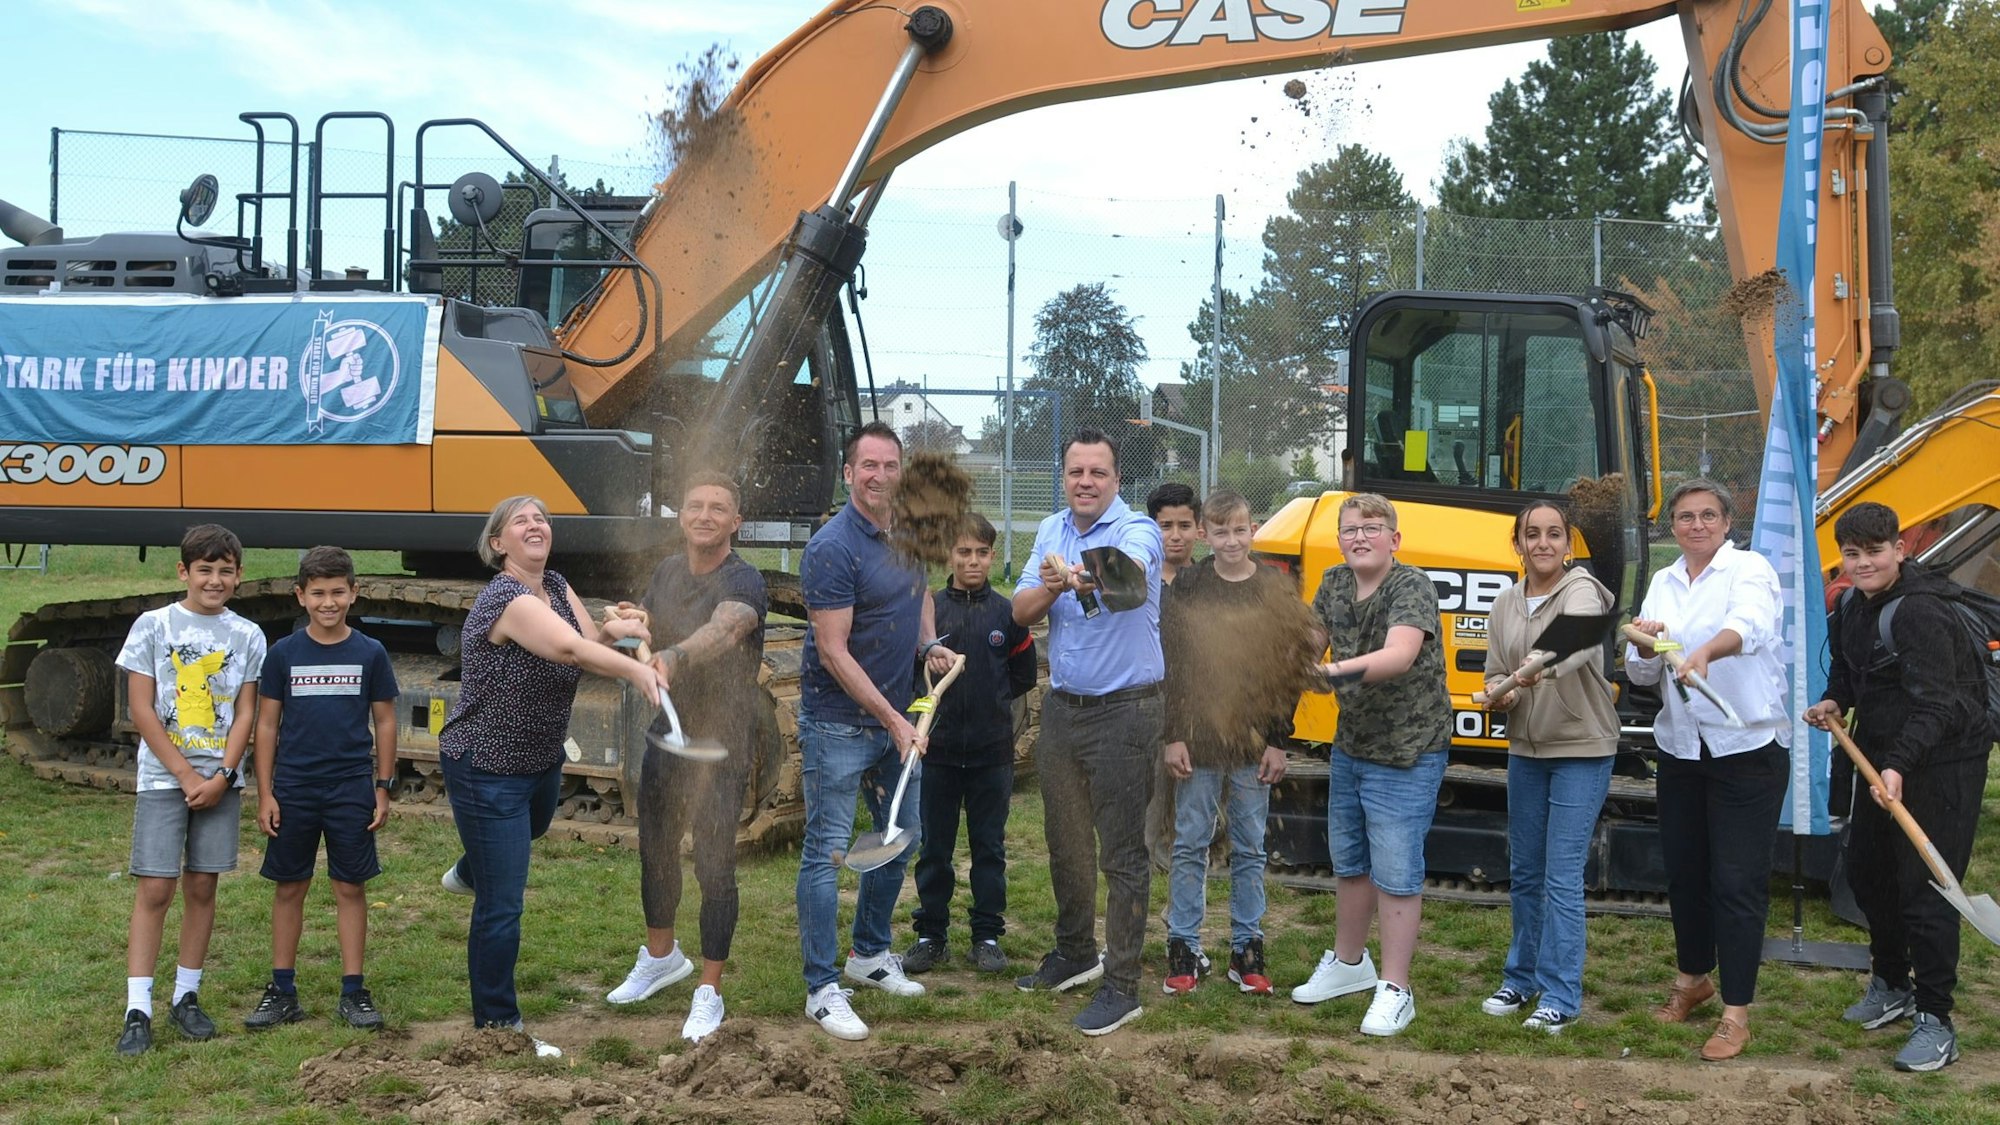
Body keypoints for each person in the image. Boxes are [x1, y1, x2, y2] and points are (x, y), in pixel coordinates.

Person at [436, 495, 665, 1058]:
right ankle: (499, 1028)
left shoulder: (557, 587)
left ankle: (471, 867)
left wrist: (626, 631)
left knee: (530, 830)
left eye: (541, 518)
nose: (536, 525)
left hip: (538, 759)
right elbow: (565, 647)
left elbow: (588, 647)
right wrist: (636, 668)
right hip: (486, 765)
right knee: (503, 903)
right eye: (521, 520)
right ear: (499, 544)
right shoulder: (505, 598)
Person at [1805, 501, 1990, 1073]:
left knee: (1925, 890)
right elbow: (1852, 672)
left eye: (1875, 552)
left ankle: (1937, 1020)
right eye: (1852, 554)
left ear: (1900, 549)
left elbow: (1941, 702)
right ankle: (1890, 983)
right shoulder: (1853, 608)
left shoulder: (1922, 612)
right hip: (1882, 759)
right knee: (1867, 873)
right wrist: (1837, 700)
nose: (1862, 565)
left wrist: (1901, 764)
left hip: (1943, 764)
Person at [796, 421, 958, 1041]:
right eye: (869, 466)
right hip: (839, 722)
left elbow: (917, 596)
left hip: (896, 716)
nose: (881, 477)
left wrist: (929, 645)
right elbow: (834, 652)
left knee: (899, 835)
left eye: (890, 466)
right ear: (848, 473)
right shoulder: (832, 547)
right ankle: (821, 987)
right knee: (828, 850)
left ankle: (866, 954)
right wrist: (895, 720)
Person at [1624, 478, 1788, 1062]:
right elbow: (1642, 673)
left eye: (1707, 516)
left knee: (1737, 883)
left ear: (1725, 521)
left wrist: (1705, 652)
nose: (1696, 525)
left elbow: (1752, 627)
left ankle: (1737, 1013)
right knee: (1686, 874)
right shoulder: (1664, 582)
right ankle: (1693, 979)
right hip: (1681, 749)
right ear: (1673, 525)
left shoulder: (1750, 570)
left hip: (1746, 748)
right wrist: (1646, 648)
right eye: (1685, 517)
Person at [604, 472, 768, 1043]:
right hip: (665, 738)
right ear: (682, 516)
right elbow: (647, 617)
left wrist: (674, 654)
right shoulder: (670, 571)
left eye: (717, 508)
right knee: (656, 850)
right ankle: (660, 957)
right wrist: (634, 619)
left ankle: (709, 990)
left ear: (735, 522)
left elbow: (726, 630)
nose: (704, 515)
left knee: (715, 864)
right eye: (695, 505)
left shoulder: (744, 580)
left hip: (720, 744)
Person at [1012, 428, 1165, 1036]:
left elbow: (1128, 584)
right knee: (1065, 838)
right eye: (1075, 471)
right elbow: (1019, 611)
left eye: (1097, 473)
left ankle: (1122, 985)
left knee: (1123, 852)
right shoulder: (1051, 530)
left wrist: (1075, 575)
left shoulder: (1137, 530)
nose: (1085, 482)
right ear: (1063, 476)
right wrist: (1050, 584)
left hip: (1126, 711)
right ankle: (1076, 951)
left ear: (1116, 480)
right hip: (1064, 709)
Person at [1290, 494, 1449, 1037]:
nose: (1360, 537)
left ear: (1394, 540)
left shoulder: (1412, 586)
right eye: (1351, 529)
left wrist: (1331, 674)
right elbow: (1309, 642)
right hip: (1352, 745)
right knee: (1351, 862)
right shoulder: (1333, 582)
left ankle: (1397, 989)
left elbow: (1399, 655)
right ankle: (1350, 964)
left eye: (1372, 529)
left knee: (1398, 872)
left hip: (1407, 751)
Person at [113, 523, 268, 1056]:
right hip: (164, 778)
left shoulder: (248, 635)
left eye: (226, 570)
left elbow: (247, 709)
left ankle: (187, 996)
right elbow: (141, 707)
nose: (215, 579)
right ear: (184, 572)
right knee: (156, 888)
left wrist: (224, 775)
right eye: (205, 570)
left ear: (239, 575)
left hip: (221, 782)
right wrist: (184, 775)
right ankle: (139, 1009)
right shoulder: (153, 626)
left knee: (203, 886)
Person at [244, 546, 400, 1034]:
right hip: (292, 787)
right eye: (318, 593)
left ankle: (354, 991)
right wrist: (265, 792)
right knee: (290, 886)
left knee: (350, 886)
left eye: (337, 592)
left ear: (354, 592)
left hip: (351, 786)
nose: (328, 602)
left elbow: (386, 720)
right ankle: (282, 990)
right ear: (301, 596)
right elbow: (266, 726)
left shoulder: (370, 652)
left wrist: (383, 786)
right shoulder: (284, 654)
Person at [1477, 502, 1618, 1034]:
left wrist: (1538, 665)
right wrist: (1502, 694)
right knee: (1526, 873)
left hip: (1582, 747)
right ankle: (1523, 977)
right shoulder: (1505, 604)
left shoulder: (1583, 589)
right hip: (1526, 752)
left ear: (1568, 545)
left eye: (1553, 535)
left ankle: (1561, 996)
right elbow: (1496, 674)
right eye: (1532, 534)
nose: (1543, 543)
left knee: (1561, 878)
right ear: (1517, 544)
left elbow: (1578, 638)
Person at [1160, 488, 1295, 997]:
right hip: (1198, 740)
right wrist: (1173, 735)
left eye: (1240, 530)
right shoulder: (1189, 587)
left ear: (1252, 529)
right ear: (1203, 534)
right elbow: (1171, 666)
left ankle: (1247, 950)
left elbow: (1286, 671)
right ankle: (1183, 948)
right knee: (1190, 843)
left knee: (1250, 848)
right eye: (1220, 532)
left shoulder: (1271, 588)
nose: (1231, 540)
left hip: (1253, 741)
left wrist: (1278, 740)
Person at [901, 512, 1037, 977]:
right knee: (934, 848)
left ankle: (987, 935)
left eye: (981, 553)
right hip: (934, 754)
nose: (973, 561)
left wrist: (988, 712)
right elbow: (909, 675)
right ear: (949, 556)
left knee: (989, 848)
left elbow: (1021, 677)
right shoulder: (930, 611)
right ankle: (930, 934)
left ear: (992, 555)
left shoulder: (1008, 614)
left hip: (990, 754)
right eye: (963, 552)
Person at [1144, 481, 1201, 873]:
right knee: (1148, 801)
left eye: (1184, 525)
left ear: (1199, 529)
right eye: (1165, 526)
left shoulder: (1211, 583)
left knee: (1196, 806)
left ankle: (1186, 871)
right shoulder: (1139, 580)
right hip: (1147, 705)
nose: (1175, 536)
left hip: (1197, 708)